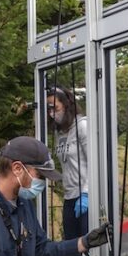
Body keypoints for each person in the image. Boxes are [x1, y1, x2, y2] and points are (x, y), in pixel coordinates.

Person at [46, 86, 89, 239]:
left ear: (66, 104)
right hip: (69, 196)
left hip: (85, 197)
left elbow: (93, 164)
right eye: (48, 109)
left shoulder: (82, 127)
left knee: (87, 247)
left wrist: (87, 194)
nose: (52, 113)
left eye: (54, 108)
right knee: (71, 246)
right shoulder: (59, 132)